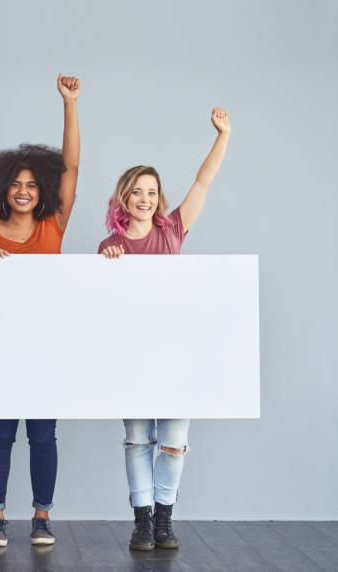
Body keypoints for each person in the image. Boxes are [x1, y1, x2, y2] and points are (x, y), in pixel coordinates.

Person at [98, 108, 231, 551]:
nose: (145, 199)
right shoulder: (109, 246)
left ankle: (164, 521)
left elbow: (203, 182)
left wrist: (223, 135)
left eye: (152, 192)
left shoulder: (172, 230)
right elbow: (101, 304)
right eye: (137, 192)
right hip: (130, 355)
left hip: (176, 353)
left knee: (173, 443)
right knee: (138, 439)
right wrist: (108, 266)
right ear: (124, 197)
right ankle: (141, 521)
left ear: (159, 198)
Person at [0, 73, 81, 546]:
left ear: (43, 192)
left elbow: (72, 169)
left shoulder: (53, 226)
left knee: (43, 437)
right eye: (16, 184)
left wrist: (70, 105)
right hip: (0, 347)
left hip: (45, 348)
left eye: (32, 185)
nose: (23, 191)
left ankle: (40, 518)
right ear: (1, 189)